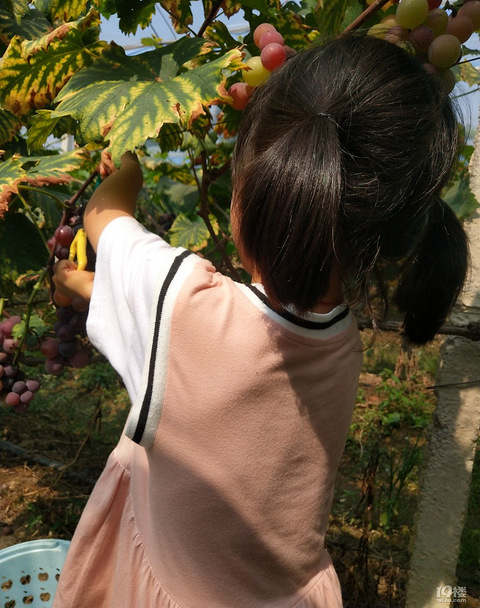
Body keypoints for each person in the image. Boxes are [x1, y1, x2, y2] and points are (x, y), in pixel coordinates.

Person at [52, 33, 468, 608]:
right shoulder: (342, 340)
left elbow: (104, 213)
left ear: (256, 187)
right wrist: (84, 285)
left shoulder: (183, 299)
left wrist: (126, 162)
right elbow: (181, 329)